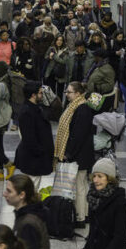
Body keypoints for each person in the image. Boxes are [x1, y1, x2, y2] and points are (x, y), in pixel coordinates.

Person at [71, 158, 126, 249]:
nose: (95, 180)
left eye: (100, 176)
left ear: (109, 178)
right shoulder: (93, 198)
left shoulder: (120, 203)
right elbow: (93, 232)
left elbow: (119, 238)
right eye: (94, 176)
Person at [54, 82, 96, 227]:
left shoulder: (82, 109)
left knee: (79, 186)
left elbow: (77, 135)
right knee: (82, 185)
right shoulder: (76, 106)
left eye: (69, 92)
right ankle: (84, 214)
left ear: (78, 93)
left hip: (80, 155)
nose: (66, 94)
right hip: (82, 154)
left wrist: (68, 153)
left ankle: (80, 218)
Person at [4, 175, 52, 249]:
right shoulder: (28, 214)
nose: (4, 194)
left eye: (9, 191)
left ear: (22, 195)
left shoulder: (27, 224)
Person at [14, 82, 54, 189]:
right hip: (33, 160)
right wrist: (40, 152)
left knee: (32, 188)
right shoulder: (27, 112)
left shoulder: (35, 108)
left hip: (35, 159)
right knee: (31, 189)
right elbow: (29, 138)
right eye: (40, 93)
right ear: (33, 95)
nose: (42, 95)